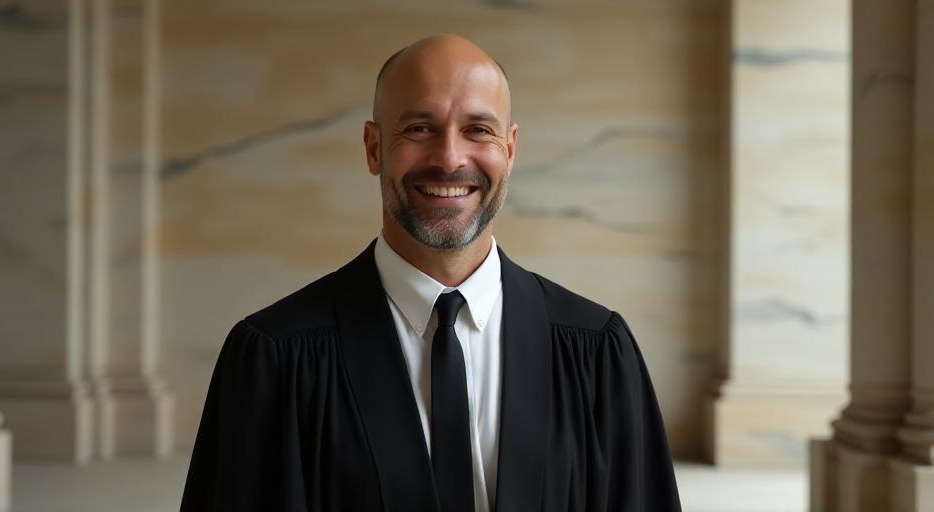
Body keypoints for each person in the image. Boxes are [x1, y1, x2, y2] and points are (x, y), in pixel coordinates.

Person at [180, 34, 681, 512]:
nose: (449, 158)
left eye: (477, 130)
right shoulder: (275, 358)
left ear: (509, 149)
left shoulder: (596, 352)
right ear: (374, 148)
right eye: (419, 128)